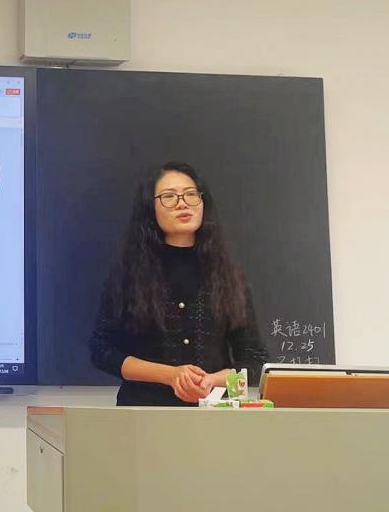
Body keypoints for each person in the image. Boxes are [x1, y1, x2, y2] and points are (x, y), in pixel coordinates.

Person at [90, 161, 268, 406]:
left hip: (214, 412)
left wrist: (212, 381)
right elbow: (102, 350)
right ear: (150, 209)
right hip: (144, 414)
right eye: (169, 197)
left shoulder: (228, 275)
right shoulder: (129, 275)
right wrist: (170, 376)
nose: (182, 203)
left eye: (190, 194)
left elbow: (255, 360)